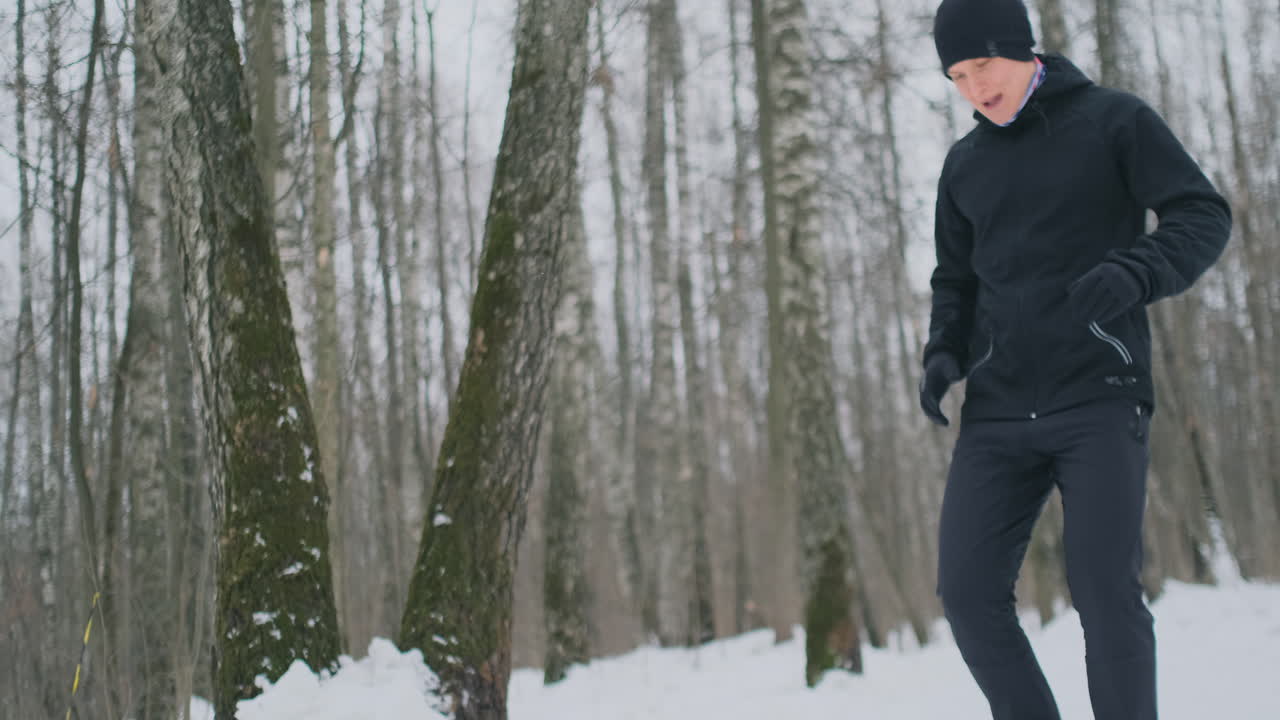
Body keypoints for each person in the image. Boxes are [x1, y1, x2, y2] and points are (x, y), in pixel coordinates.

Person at [919, 1, 1231, 718]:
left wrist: (1136, 272)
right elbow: (956, 283)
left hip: (1098, 393)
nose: (974, 88)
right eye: (958, 76)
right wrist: (943, 354)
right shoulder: (964, 165)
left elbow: (1202, 214)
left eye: (984, 65)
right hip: (997, 413)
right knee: (967, 597)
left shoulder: (1112, 121)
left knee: (1103, 591)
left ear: (1022, 49)